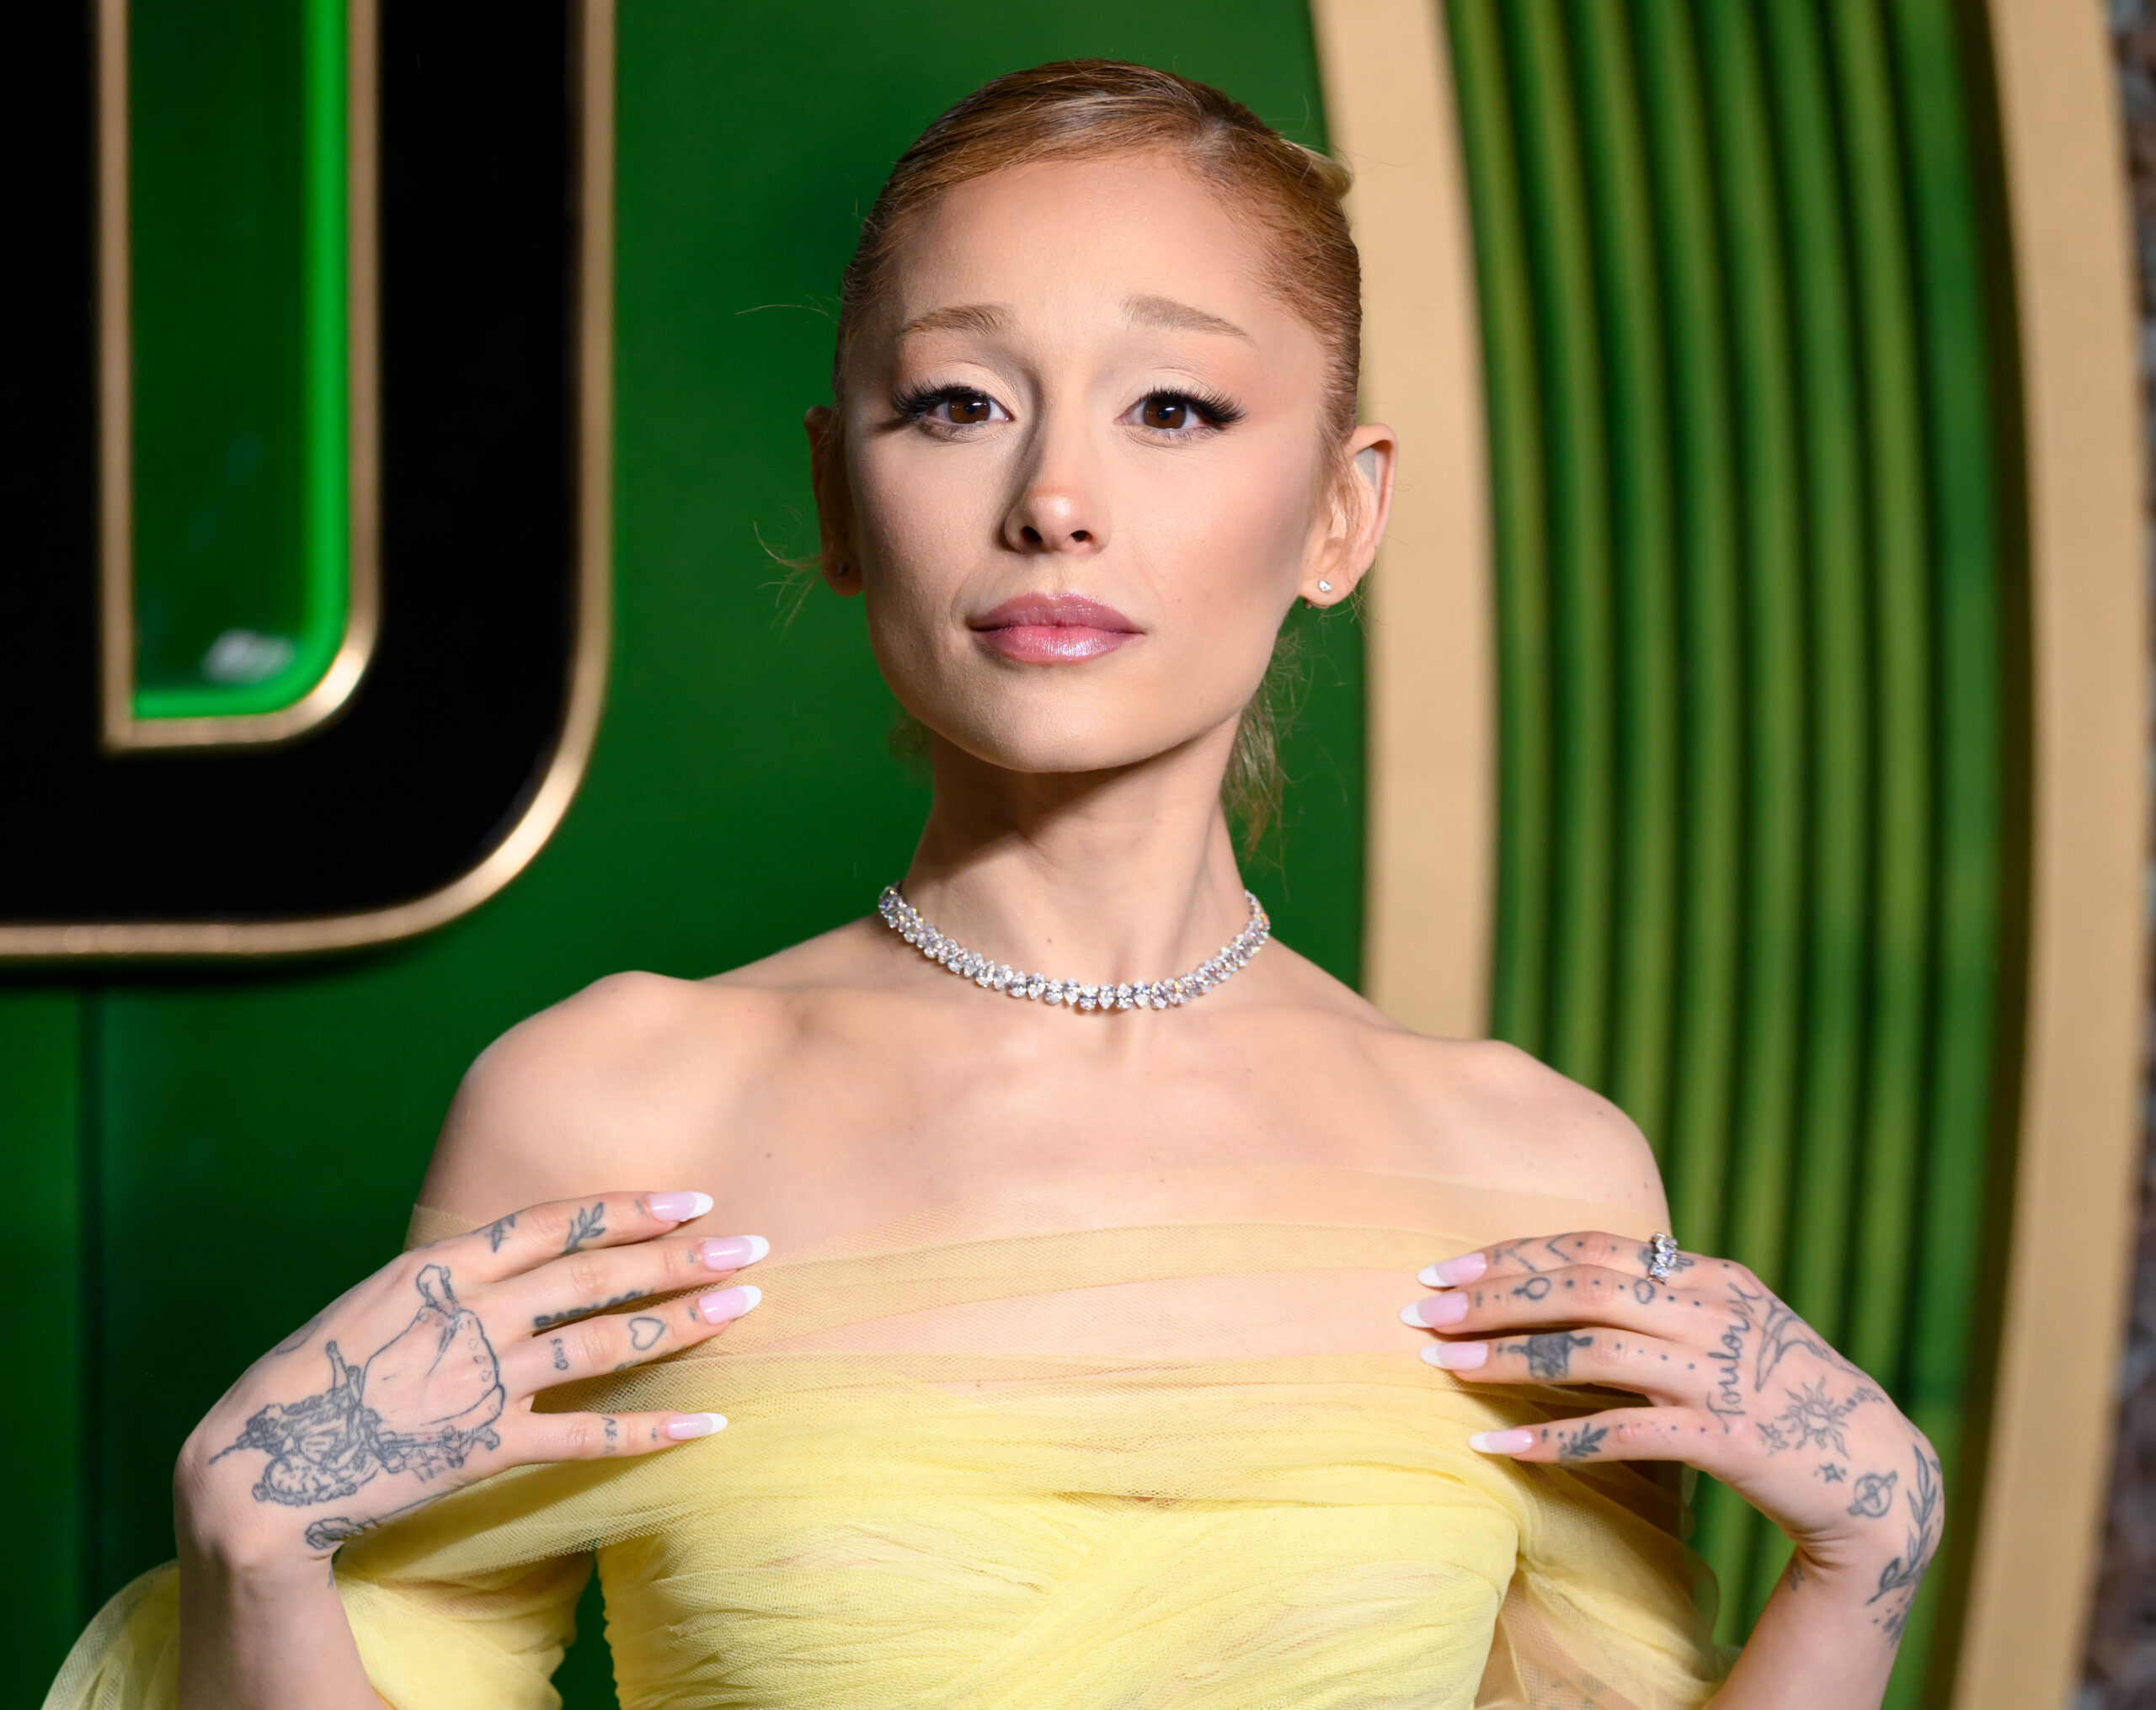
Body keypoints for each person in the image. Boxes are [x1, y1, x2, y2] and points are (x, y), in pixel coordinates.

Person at [51, 60, 1940, 1710]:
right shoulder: (614, 1110)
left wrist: (1866, 1563)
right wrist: (253, 1548)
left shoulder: (1532, 1171)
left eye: (1172, 409)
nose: (1053, 498)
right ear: (837, 493)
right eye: (956, 401)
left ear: (1342, 510)